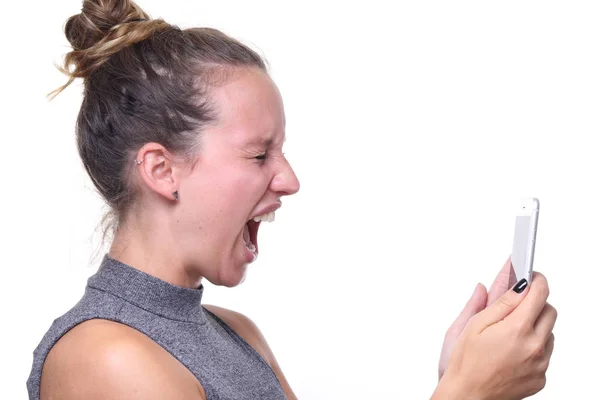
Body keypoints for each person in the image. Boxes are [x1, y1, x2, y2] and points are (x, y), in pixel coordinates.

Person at [27, 1, 557, 399]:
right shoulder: (103, 357)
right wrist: (467, 391)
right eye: (259, 155)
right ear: (162, 170)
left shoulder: (238, 334)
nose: (289, 179)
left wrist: (459, 373)